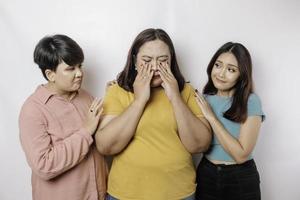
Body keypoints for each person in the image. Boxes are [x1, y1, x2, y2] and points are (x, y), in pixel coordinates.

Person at [95, 28, 211, 200]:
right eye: (147, 60)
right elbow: (106, 146)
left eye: (163, 60)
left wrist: (175, 97)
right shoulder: (117, 91)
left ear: (171, 61)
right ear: (134, 60)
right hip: (125, 193)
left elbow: (199, 145)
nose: (155, 67)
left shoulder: (186, 91)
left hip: (178, 193)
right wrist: (139, 101)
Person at [19, 34, 108, 200]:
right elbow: (44, 166)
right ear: (50, 74)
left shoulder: (86, 97)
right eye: (70, 69)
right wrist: (85, 132)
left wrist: (113, 99)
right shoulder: (33, 110)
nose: (80, 73)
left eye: (80, 66)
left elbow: (104, 140)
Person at [195, 42, 265, 200]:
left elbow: (241, 155)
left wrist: (211, 117)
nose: (221, 74)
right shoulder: (203, 99)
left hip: (240, 178)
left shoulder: (250, 101)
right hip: (207, 175)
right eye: (218, 65)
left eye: (231, 70)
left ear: (242, 75)